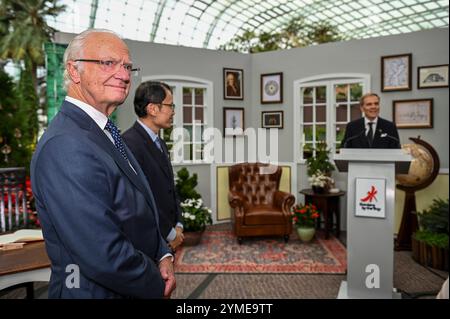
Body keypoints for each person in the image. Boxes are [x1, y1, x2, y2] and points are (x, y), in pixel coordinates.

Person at [30, 29, 175, 299]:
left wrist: (163, 253)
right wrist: (154, 281)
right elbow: (102, 252)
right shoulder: (65, 144)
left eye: (127, 66)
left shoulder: (105, 131)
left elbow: (136, 208)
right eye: (108, 63)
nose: (123, 75)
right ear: (75, 71)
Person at [122, 81, 184, 251]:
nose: (173, 111)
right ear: (152, 109)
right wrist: (170, 233)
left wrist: (178, 224)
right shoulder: (129, 144)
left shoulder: (160, 142)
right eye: (170, 106)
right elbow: (141, 199)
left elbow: (170, 187)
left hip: (168, 235)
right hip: (149, 238)